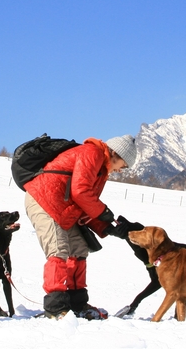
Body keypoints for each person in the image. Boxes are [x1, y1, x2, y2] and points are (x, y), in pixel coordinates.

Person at [23, 134, 137, 319]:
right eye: (123, 164)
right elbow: (81, 191)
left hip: (63, 206)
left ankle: (77, 302)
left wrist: (107, 227)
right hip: (43, 200)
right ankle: (55, 307)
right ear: (115, 153)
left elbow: (85, 203)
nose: (122, 170)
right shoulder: (92, 153)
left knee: (79, 248)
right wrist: (103, 212)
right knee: (58, 249)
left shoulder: (101, 169)